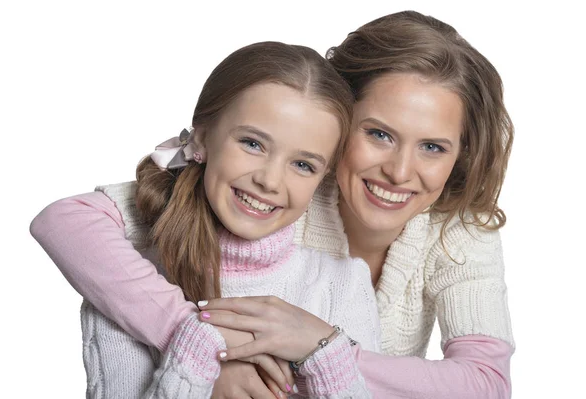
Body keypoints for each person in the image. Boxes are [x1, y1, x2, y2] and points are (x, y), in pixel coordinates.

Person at [32, 10, 515, 399]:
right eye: (379, 134)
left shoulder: (458, 231)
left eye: (433, 147)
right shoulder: (279, 194)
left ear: (460, 154)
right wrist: (203, 348)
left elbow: (486, 385)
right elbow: (70, 220)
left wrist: (319, 346)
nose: (400, 171)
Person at [31, 40, 382, 398]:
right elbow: (61, 219)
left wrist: (327, 356)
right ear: (200, 137)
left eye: (303, 165)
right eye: (252, 143)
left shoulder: (344, 285)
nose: (270, 180)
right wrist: (200, 351)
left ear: (320, 181)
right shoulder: (123, 281)